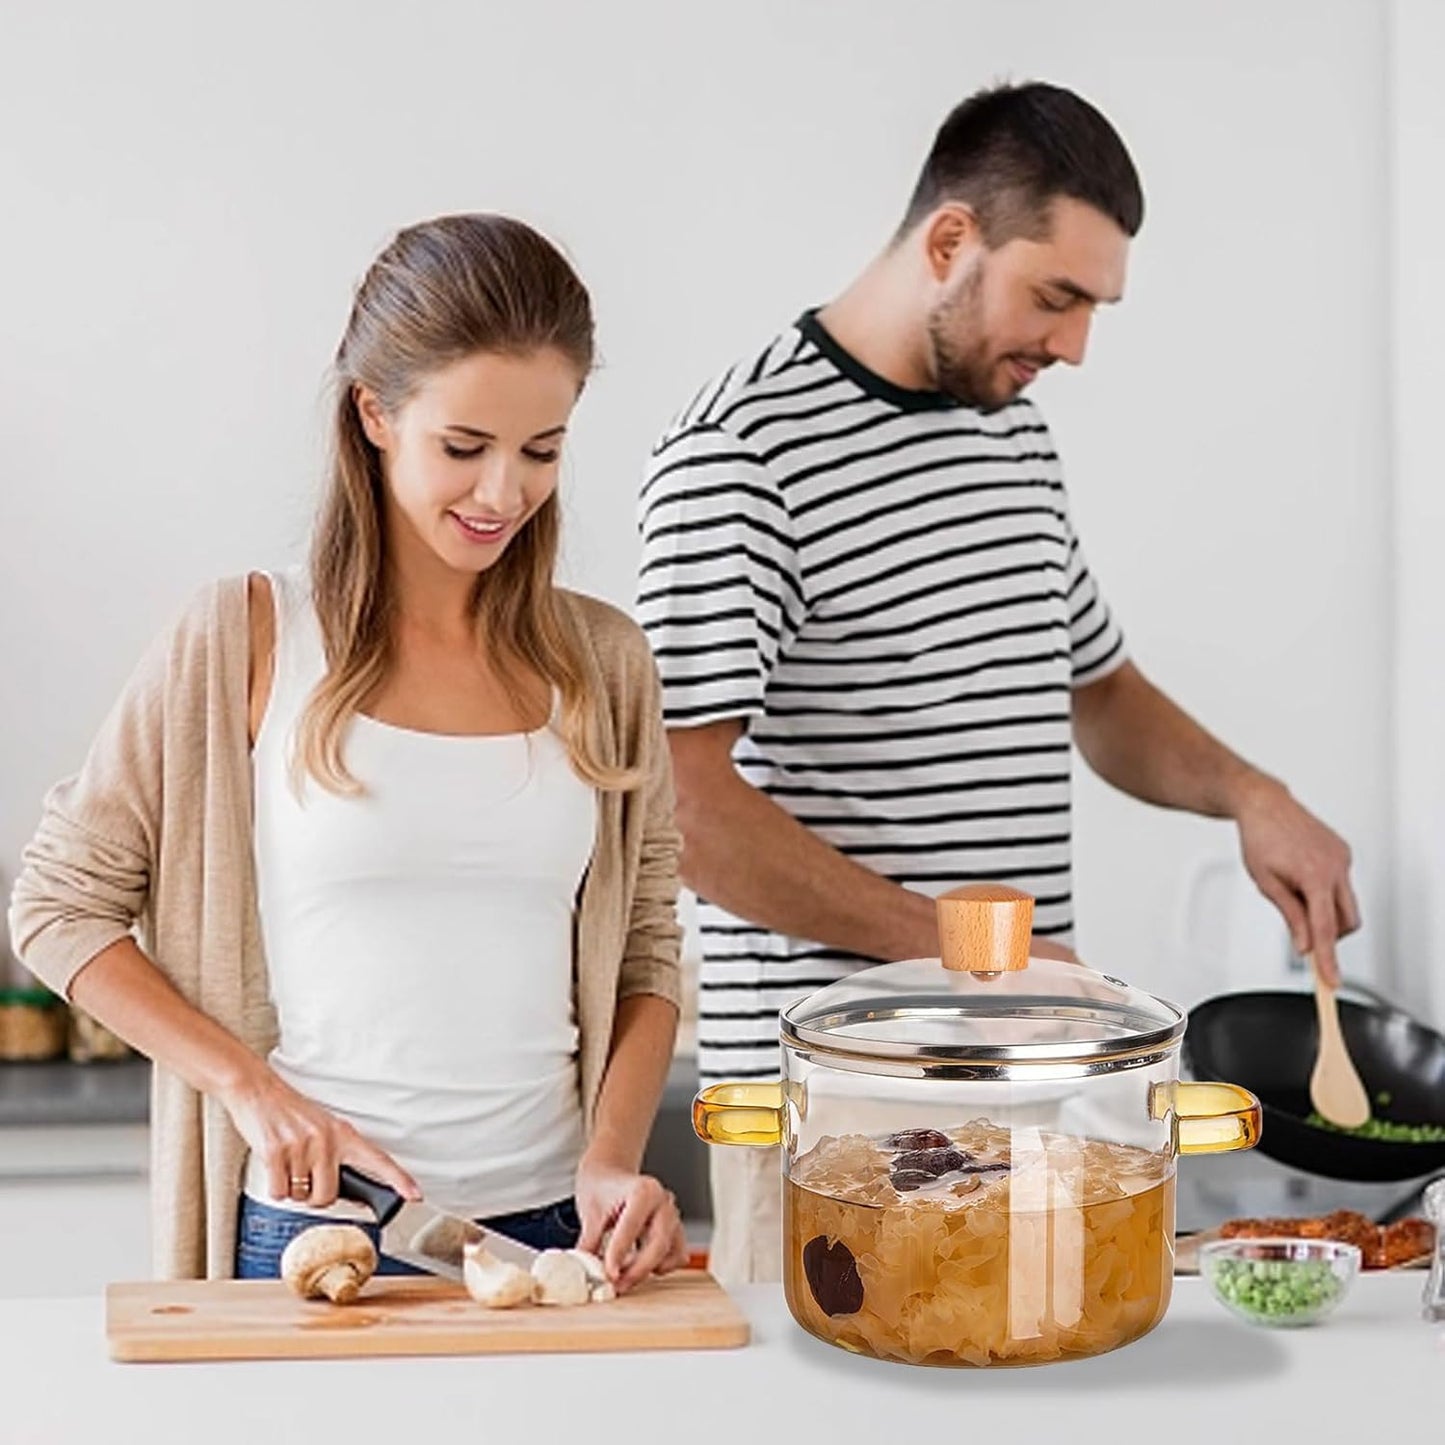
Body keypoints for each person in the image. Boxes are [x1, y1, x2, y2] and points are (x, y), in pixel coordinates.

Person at [636, 82, 1359, 1283]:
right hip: (839, 1121)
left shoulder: (1006, 428)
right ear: (948, 242)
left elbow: (1098, 689)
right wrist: (976, 956)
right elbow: (683, 810)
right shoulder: (738, 453)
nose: (1072, 345)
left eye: (1092, 307)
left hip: (1025, 1097)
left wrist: (1249, 791)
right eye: (1055, 295)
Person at [10, 213, 688, 1292]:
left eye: (540, 450)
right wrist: (249, 1088)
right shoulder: (245, 635)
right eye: (463, 447)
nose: (502, 492)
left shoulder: (601, 660)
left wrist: (612, 1157)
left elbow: (648, 952)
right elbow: (56, 903)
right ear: (374, 412)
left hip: (556, 1232)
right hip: (325, 1235)